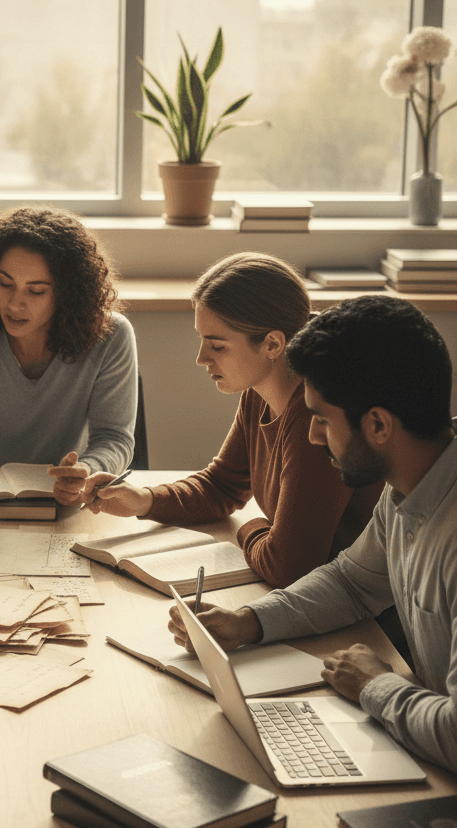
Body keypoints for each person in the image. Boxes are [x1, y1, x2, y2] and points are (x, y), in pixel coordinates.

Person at [169, 294, 457, 771]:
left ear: (379, 424)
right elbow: (352, 582)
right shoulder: (408, 484)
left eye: (322, 420)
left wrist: (375, 685)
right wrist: (250, 622)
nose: (313, 437)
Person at [68, 252, 382, 588]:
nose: (201, 358)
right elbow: (221, 486)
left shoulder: (315, 421)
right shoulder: (257, 393)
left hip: (354, 612)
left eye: (217, 346)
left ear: (273, 344)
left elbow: (289, 568)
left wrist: (248, 528)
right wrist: (144, 500)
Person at [0, 206, 138, 504]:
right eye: (5, 284)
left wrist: (86, 472)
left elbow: (114, 439)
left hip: (70, 505)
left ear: (66, 293)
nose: (15, 304)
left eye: (35, 291)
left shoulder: (112, 336)